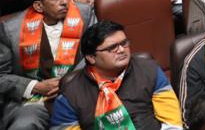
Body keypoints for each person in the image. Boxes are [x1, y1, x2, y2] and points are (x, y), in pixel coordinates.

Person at [49, 20, 183, 130]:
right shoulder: (71, 94)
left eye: (124, 43)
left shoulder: (149, 70)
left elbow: (172, 121)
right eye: (112, 48)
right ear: (91, 57)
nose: (121, 50)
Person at [0, 0, 96, 130]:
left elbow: (95, 52)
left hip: (80, 87)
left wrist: (69, 81)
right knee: (23, 125)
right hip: (35, 99)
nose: (65, 2)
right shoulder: (10, 30)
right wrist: (36, 86)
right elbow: (1, 76)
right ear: (39, 5)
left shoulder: (84, 13)